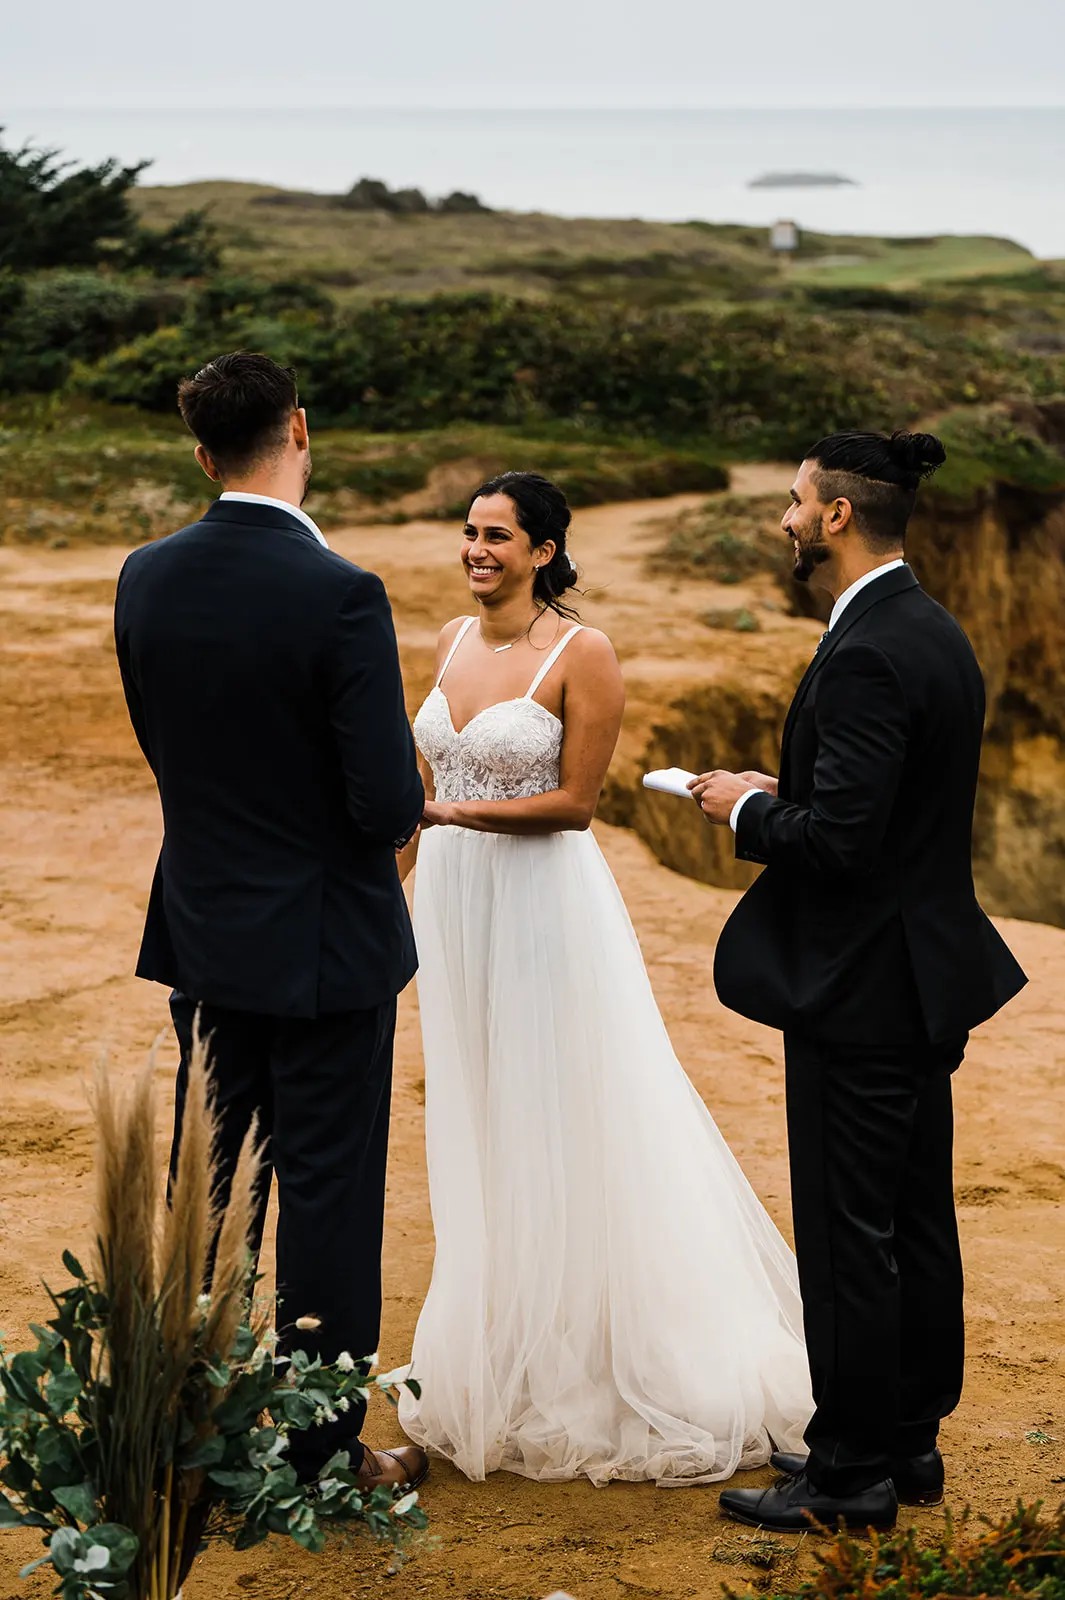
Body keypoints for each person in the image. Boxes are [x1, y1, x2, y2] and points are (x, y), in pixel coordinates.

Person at [395, 470, 813, 1486]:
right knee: (480, 1111)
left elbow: (576, 803)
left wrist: (449, 819)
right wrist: (402, 871)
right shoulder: (449, 641)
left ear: (543, 551)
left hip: (542, 904)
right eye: (470, 531)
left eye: (498, 535)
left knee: (561, 1109)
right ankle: (503, 1339)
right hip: (451, 905)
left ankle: (597, 1357)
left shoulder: (586, 654)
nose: (477, 550)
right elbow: (417, 784)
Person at [694, 430, 1028, 1531]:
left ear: (837, 514)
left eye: (795, 501)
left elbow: (842, 841)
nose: (786, 518)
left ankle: (845, 1472)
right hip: (916, 976)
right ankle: (907, 1441)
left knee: (850, 1232)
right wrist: (781, 786)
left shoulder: (874, 647)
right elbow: (879, 811)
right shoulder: (929, 628)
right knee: (914, 1214)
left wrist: (745, 809)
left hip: (861, 986)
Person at [113, 351, 428, 1490]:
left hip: (202, 930)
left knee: (204, 1192)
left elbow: (168, 748)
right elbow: (386, 801)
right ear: (301, 428)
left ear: (204, 453)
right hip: (329, 947)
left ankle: (185, 1433)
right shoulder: (342, 592)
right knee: (329, 1203)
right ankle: (319, 1452)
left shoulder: (143, 574)